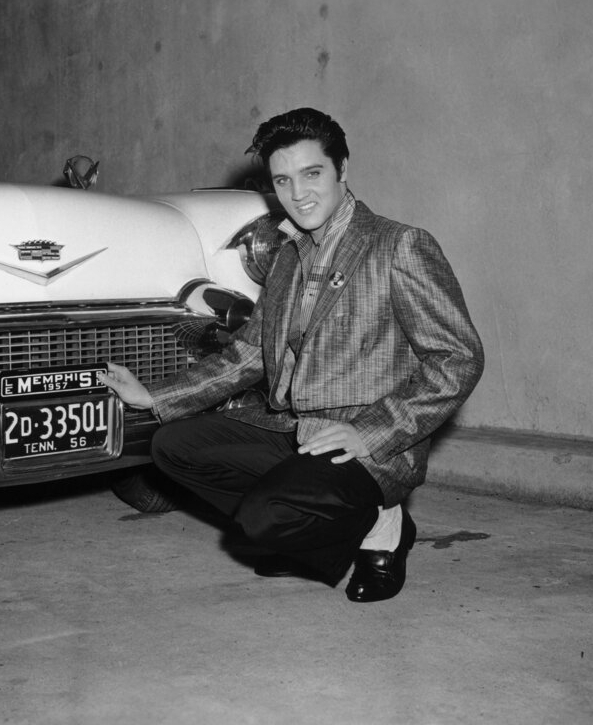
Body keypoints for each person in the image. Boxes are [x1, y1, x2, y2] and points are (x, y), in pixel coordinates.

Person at [100, 108, 484, 603]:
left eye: (312, 174)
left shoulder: (398, 245)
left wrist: (371, 433)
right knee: (172, 446)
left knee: (265, 519)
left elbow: (457, 358)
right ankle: (310, 534)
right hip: (295, 429)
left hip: (364, 444)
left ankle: (382, 526)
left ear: (342, 169)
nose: (298, 193)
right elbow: (248, 355)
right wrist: (154, 395)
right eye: (283, 180)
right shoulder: (287, 256)